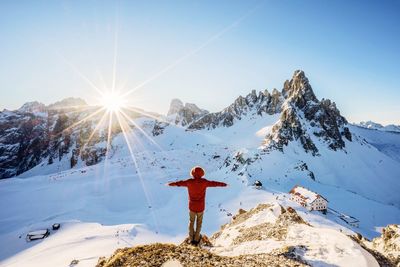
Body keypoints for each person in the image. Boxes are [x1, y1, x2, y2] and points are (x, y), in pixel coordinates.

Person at [167, 166, 227, 245]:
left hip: (192, 206)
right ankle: (196, 239)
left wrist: (171, 184)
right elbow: (214, 183)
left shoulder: (189, 182)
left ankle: (191, 239)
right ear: (202, 173)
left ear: (192, 173)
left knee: (191, 222)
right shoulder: (204, 182)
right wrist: (224, 184)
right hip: (201, 207)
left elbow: (179, 183)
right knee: (199, 223)